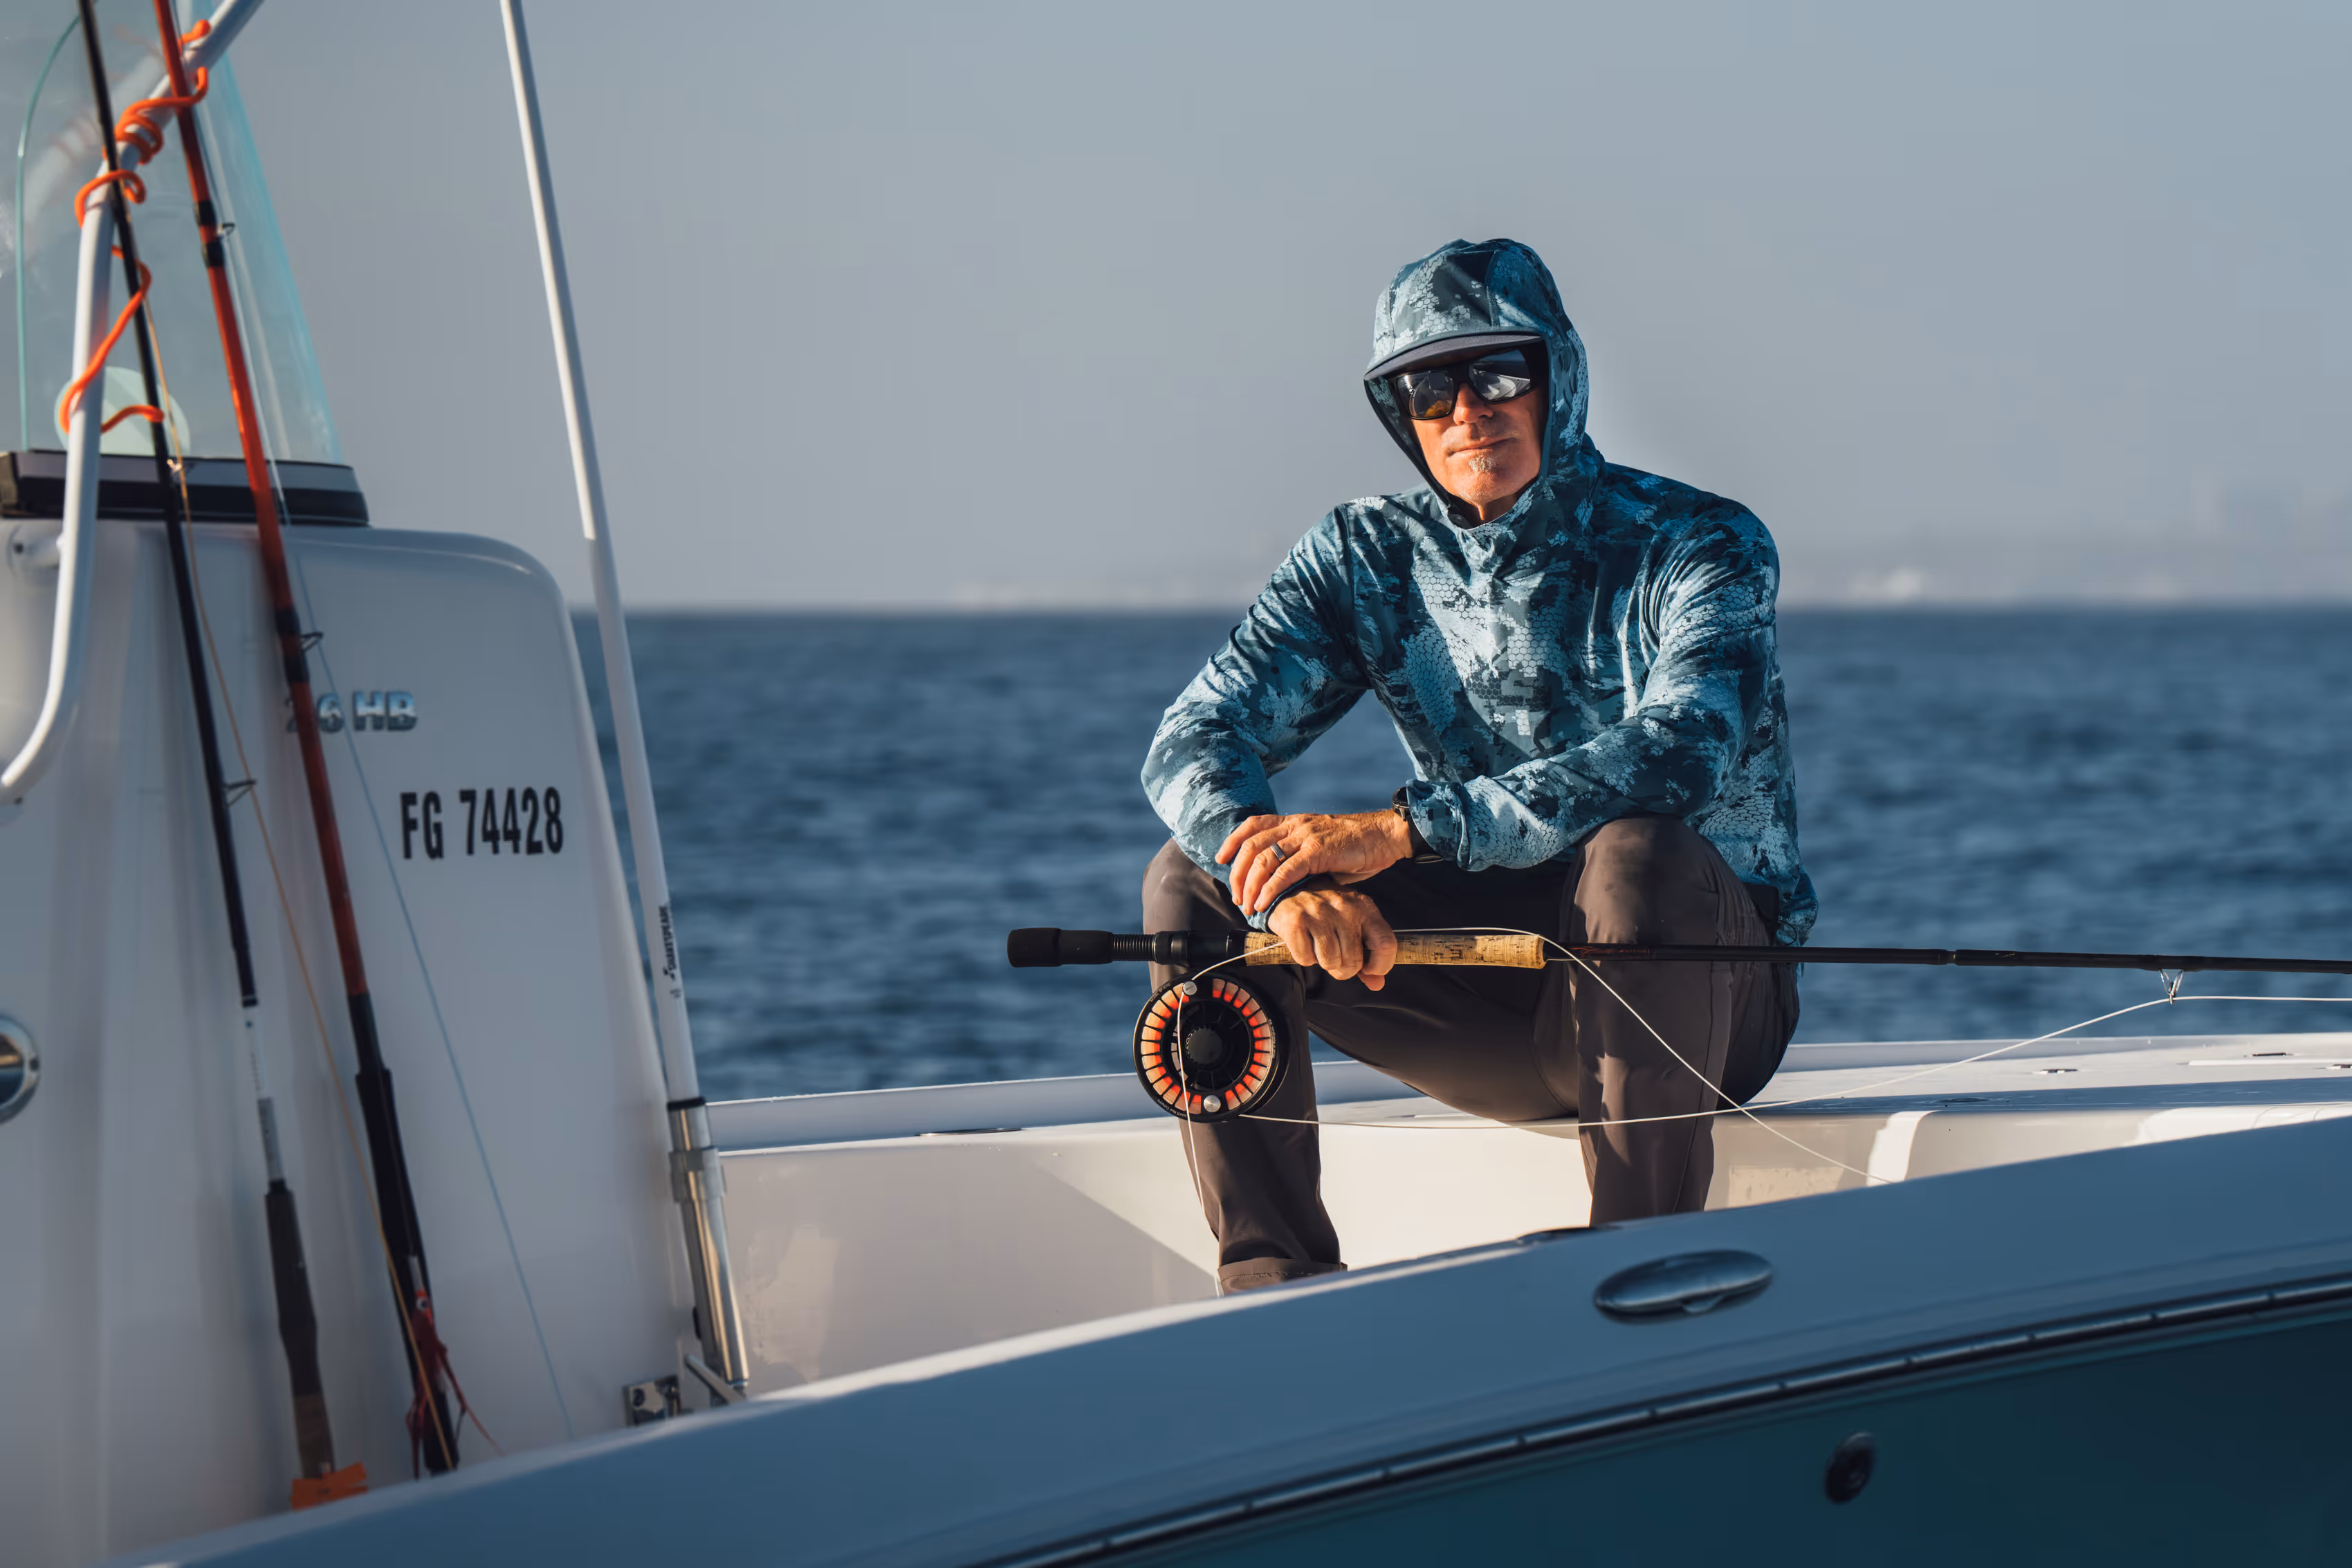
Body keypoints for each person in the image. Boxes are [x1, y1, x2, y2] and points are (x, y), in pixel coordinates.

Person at [1139, 238, 1815, 1293]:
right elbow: (1193, 736)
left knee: (1635, 856)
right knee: (1197, 878)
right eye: (1430, 389)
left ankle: (1636, 1278)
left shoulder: (1702, 543)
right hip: (1496, 995)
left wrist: (1408, 829)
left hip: (1707, 994)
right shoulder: (1363, 558)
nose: (1468, 411)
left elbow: (1684, 751)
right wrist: (1286, 891)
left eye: (1500, 373)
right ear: (1398, 413)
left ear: (1559, 376)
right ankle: (1274, 1284)